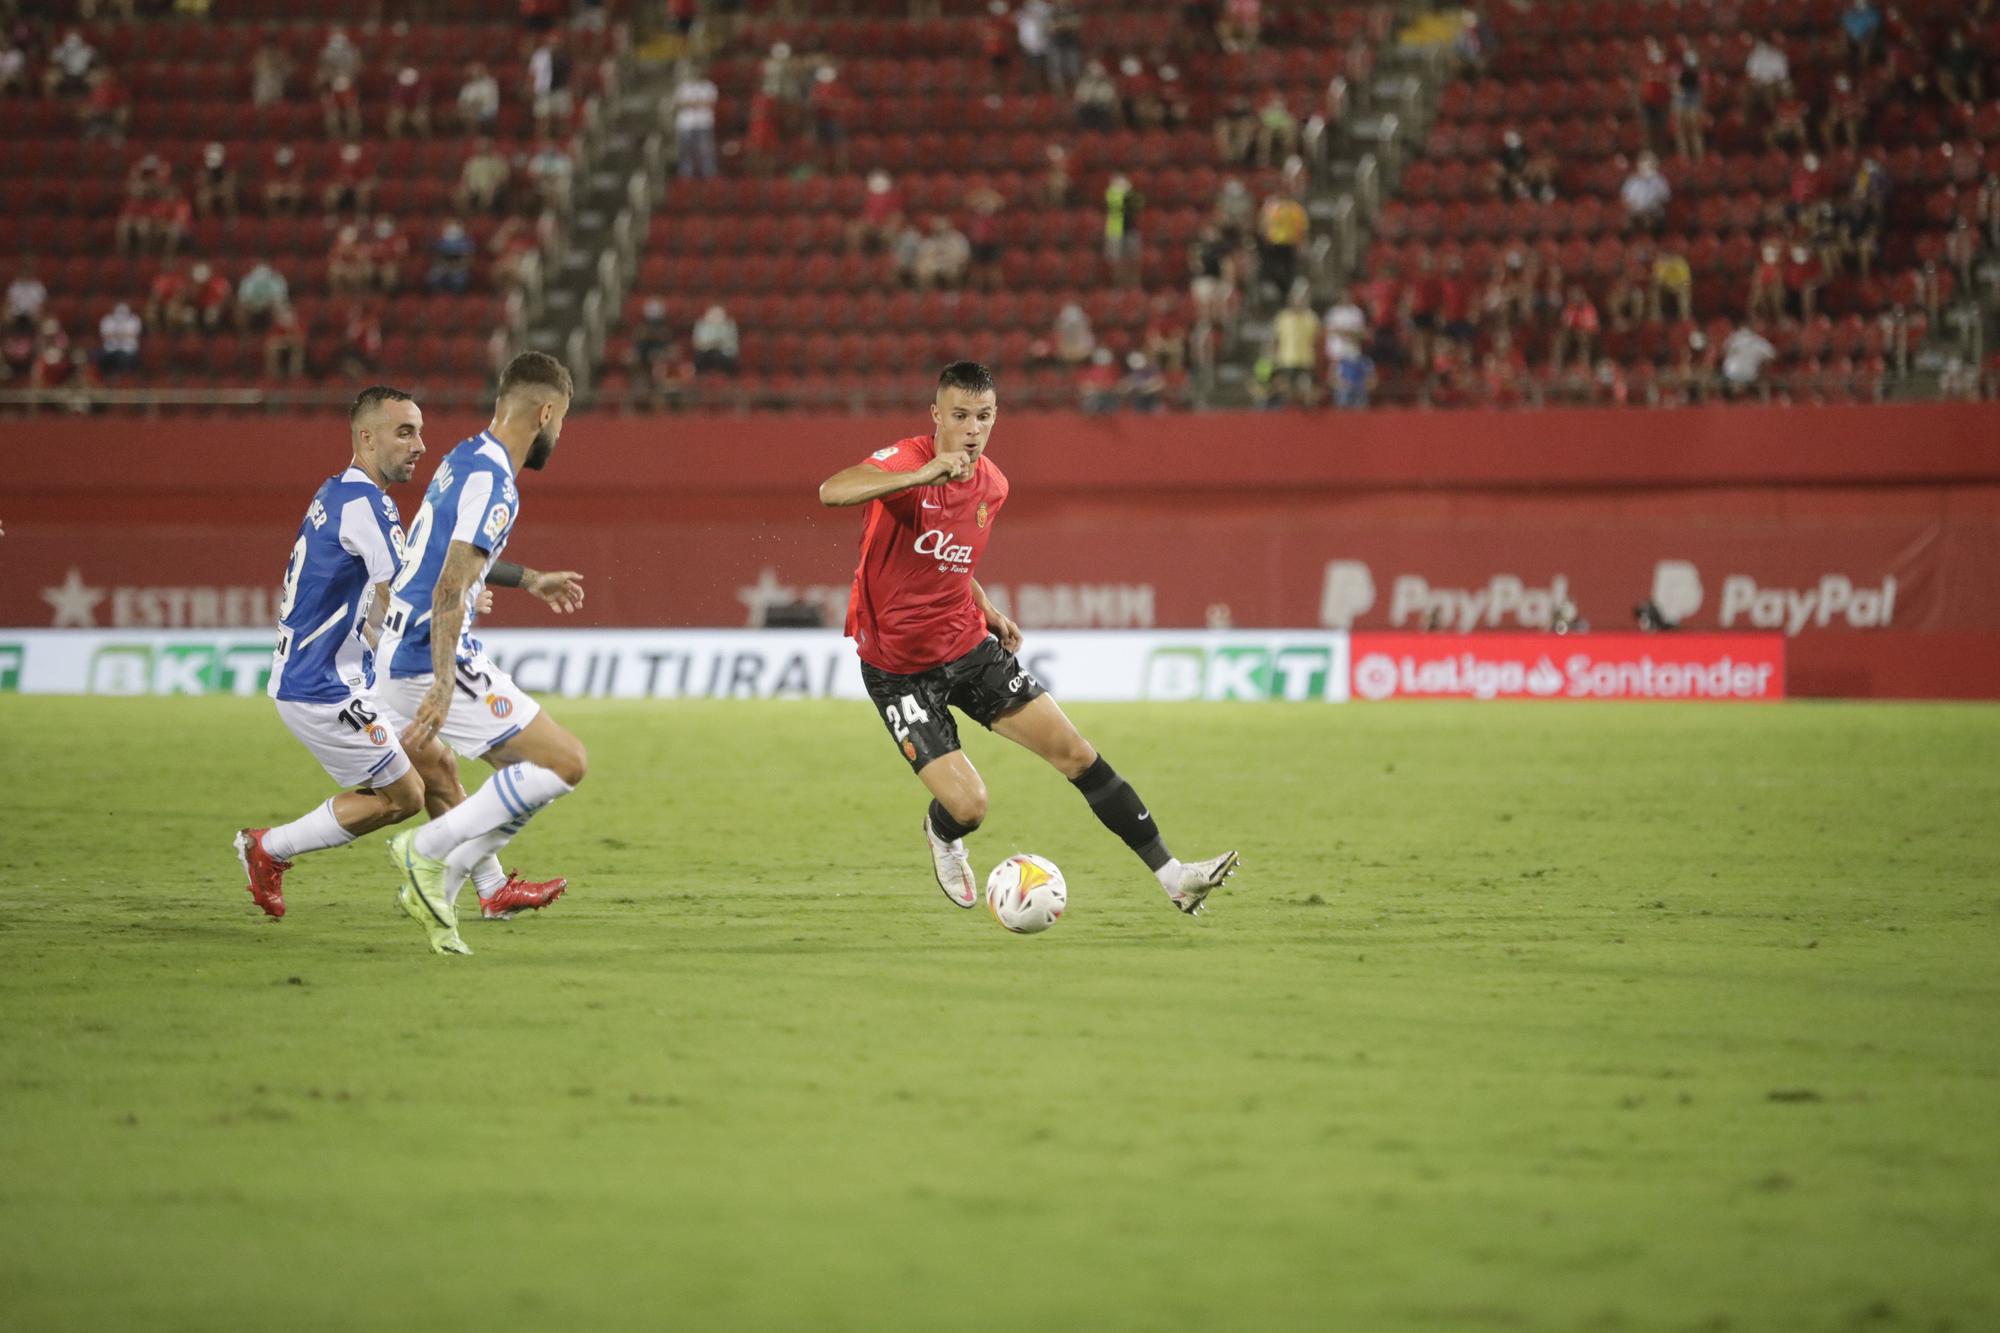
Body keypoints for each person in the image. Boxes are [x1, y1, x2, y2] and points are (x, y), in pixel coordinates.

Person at [815, 361, 1240, 916]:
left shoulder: (993, 485)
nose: (972, 428)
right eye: (961, 415)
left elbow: (947, 562)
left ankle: (1174, 877)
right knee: (970, 806)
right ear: (937, 416)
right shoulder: (906, 462)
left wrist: (984, 605)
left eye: (984, 417)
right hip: (898, 671)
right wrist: (919, 477)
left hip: (968, 648)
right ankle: (943, 834)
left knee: (1077, 753)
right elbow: (832, 490)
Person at [234, 386, 566, 925]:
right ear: (366, 438)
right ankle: (268, 848)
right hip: (320, 688)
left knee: (438, 762)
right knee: (402, 797)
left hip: (348, 675)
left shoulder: (343, 494)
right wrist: (453, 611)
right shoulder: (365, 507)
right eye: (404, 432)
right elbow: (402, 592)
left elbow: (417, 574)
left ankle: (493, 887)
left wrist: (516, 580)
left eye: (420, 432)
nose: (419, 445)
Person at [380, 354, 590, 955]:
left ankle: (457, 886)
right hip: (428, 655)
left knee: (524, 777)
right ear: (546, 412)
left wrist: (527, 580)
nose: (559, 434)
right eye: (563, 421)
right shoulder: (496, 483)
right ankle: (428, 858)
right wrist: (443, 683)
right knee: (563, 764)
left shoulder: (463, 460)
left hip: (402, 649)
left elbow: (450, 558)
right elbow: (449, 584)